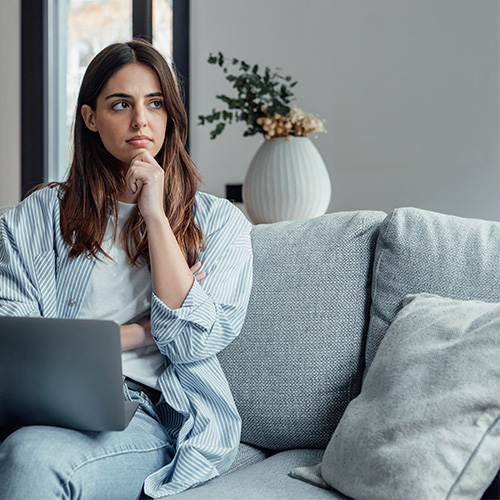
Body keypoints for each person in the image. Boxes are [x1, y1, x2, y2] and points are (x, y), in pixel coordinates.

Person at [0, 39, 253, 499]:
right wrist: (136, 332)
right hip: (48, 406)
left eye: (155, 103)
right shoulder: (36, 217)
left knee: (31, 458)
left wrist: (155, 214)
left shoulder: (220, 223)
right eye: (121, 104)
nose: (141, 120)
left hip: (151, 411)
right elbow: (19, 341)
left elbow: (193, 337)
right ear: (91, 118)